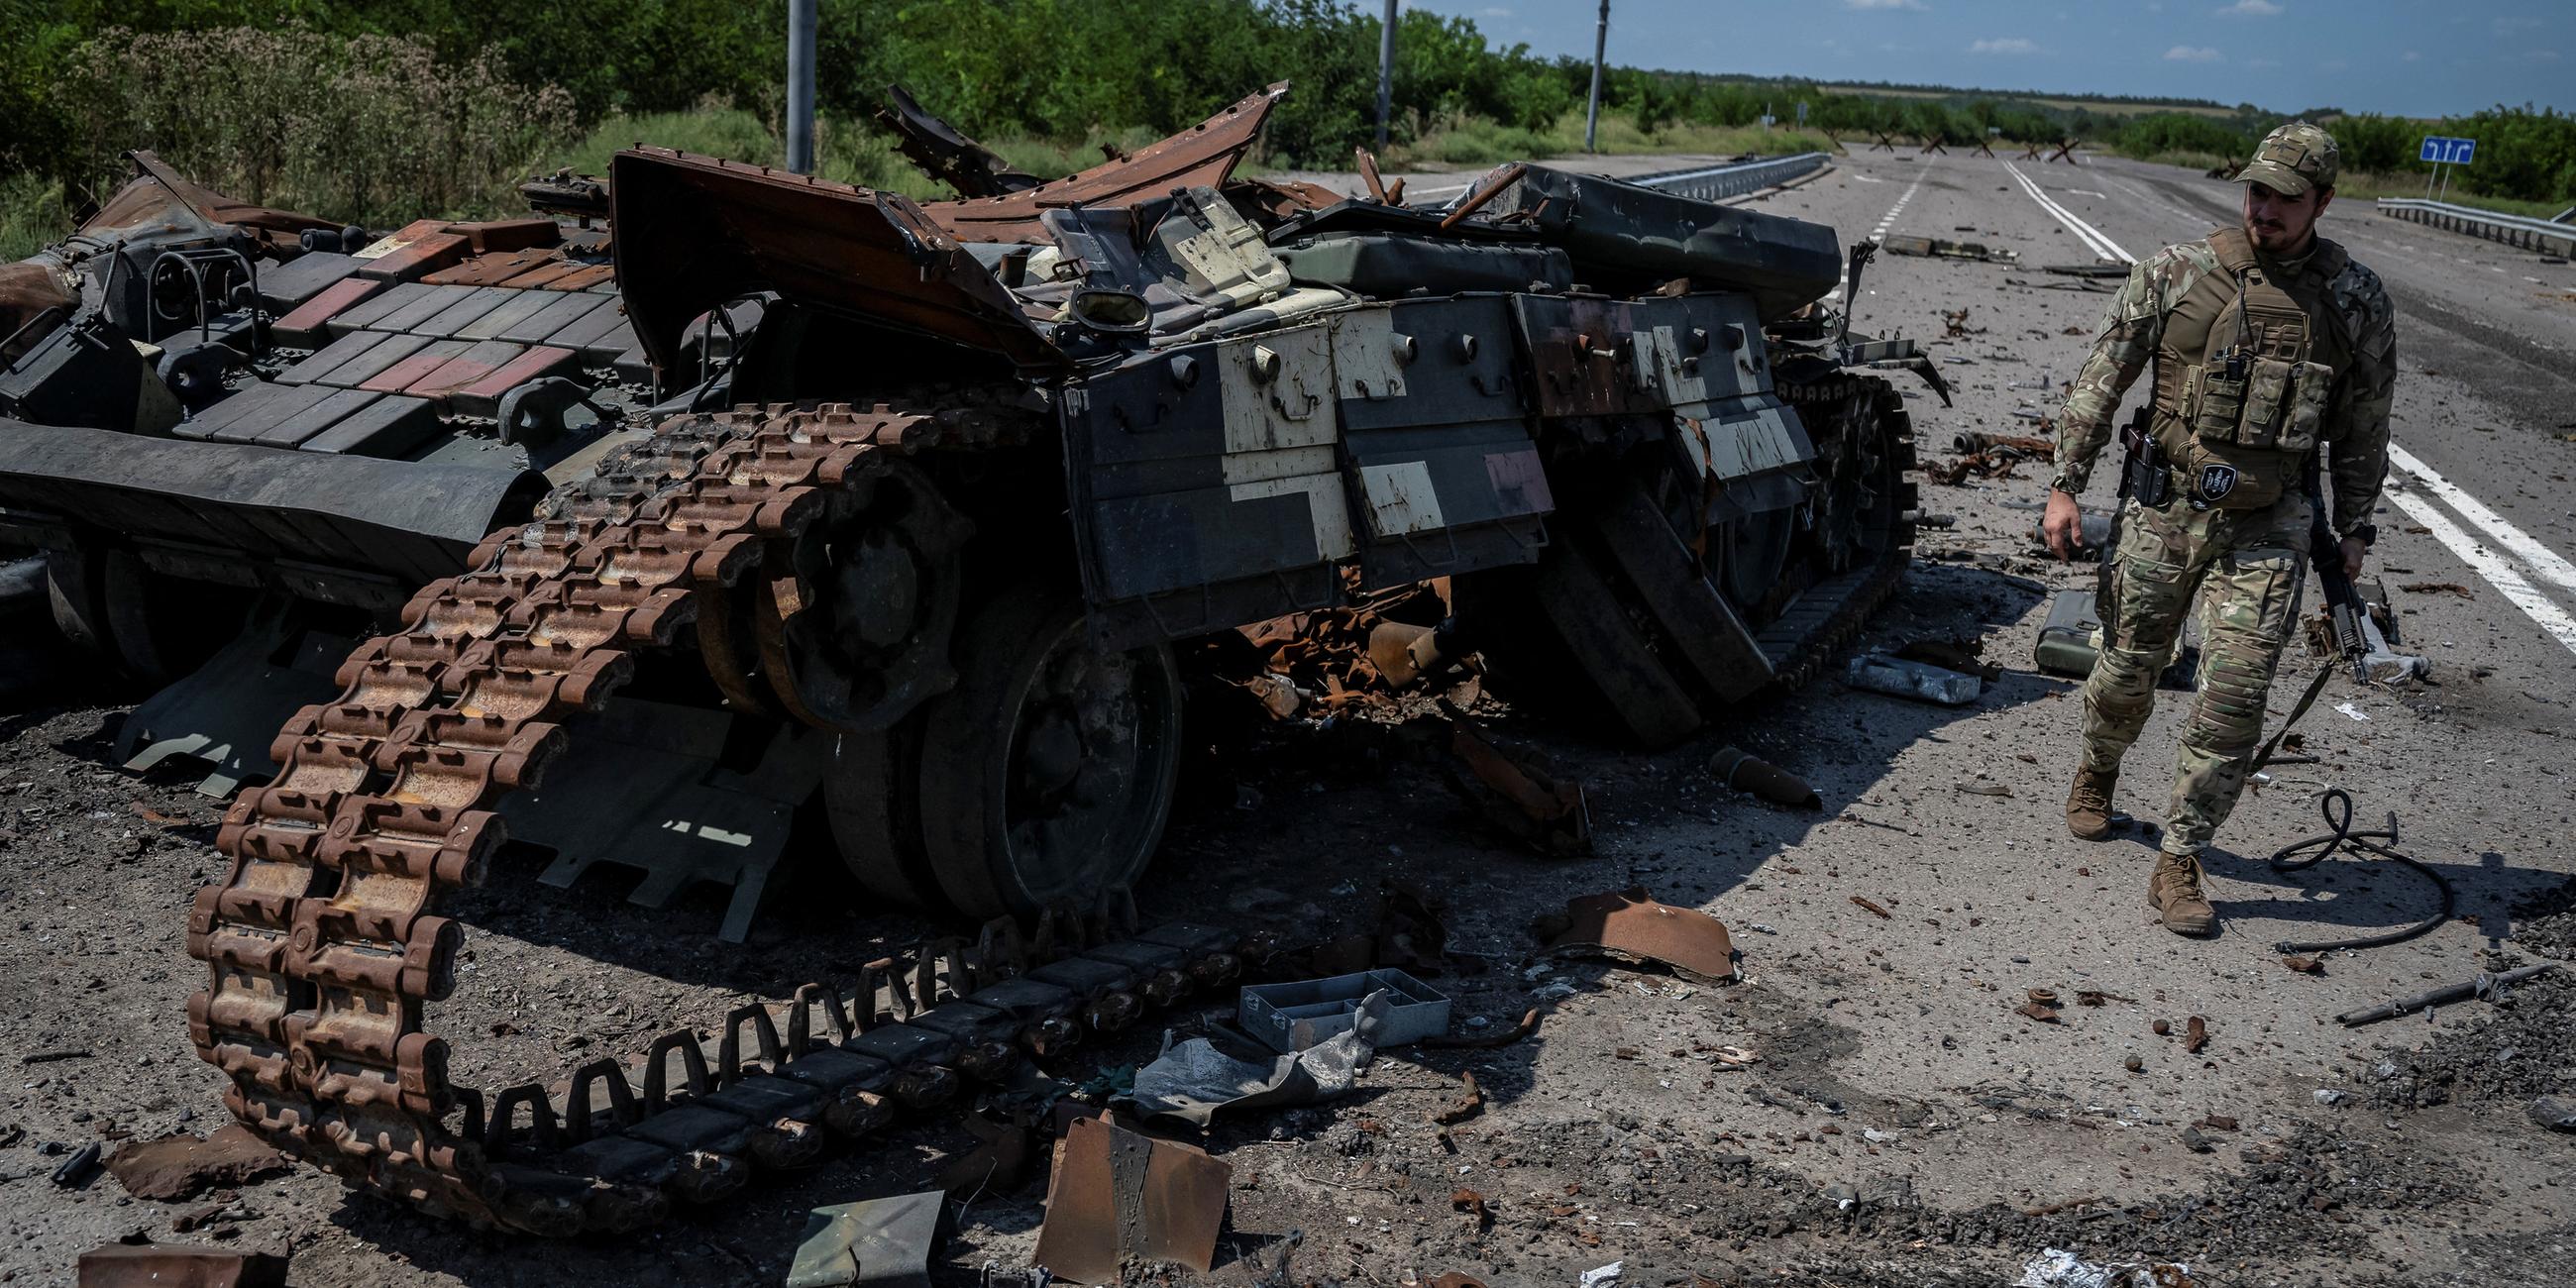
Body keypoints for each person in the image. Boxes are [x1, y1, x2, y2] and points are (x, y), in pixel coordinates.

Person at [2040, 122, 2395, 936]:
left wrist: (2356, 526)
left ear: (2324, 203)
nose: (2264, 209)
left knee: (2234, 698)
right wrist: (2065, 486)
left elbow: (2365, 422)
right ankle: (2097, 771)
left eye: (2285, 198)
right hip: (2164, 511)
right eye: (2256, 191)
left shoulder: (2353, 300)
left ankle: (2181, 858)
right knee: (2129, 668)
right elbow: (2104, 375)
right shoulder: (2176, 272)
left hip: (2271, 522)